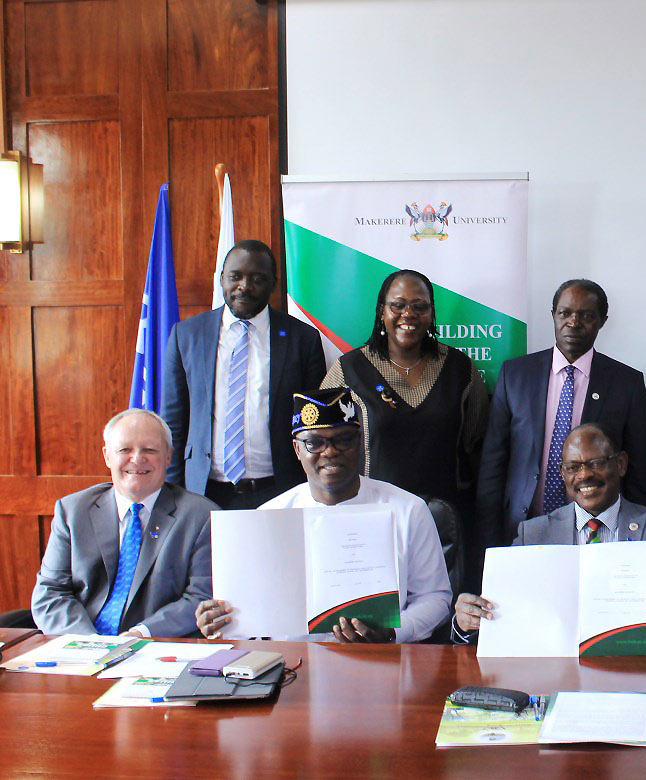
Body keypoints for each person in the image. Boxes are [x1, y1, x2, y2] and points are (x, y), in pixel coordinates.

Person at [194, 389, 452, 643]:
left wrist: (393, 632)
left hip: (384, 662)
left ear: (360, 443)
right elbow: (250, 618)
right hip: (290, 667)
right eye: (314, 443)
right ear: (297, 450)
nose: (329, 452)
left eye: (343, 440)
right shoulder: (269, 517)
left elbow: (435, 598)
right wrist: (221, 621)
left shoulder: (408, 510)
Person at [454, 423, 646, 645]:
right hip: (554, 677)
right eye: (574, 467)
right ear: (562, 474)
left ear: (621, 464)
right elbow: (500, 617)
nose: (585, 475)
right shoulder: (532, 534)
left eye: (596, 463)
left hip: (637, 671)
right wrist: (466, 622)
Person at [478, 279, 646, 550]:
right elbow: (494, 461)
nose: (574, 322)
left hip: (596, 530)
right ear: (553, 315)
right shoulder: (516, 375)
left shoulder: (626, 383)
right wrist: (488, 541)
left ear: (602, 321)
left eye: (586, 315)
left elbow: (640, 470)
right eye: (565, 313)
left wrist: (639, 541)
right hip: (523, 526)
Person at [163, 239, 326, 509]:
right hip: (202, 491)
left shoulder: (302, 339)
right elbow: (173, 422)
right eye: (235, 276)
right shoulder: (187, 336)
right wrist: (173, 492)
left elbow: (313, 424)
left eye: (257, 278)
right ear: (221, 279)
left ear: (273, 283)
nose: (244, 286)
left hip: (280, 489)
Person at [32, 409, 215, 638]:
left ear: (168, 456)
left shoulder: (200, 516)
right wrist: (90, 643)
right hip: (81, 646)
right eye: (124, 449)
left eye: (149, 449)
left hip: (158, 648)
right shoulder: (73, 511)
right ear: (107, 455)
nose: (137, 459)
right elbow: (51, 591)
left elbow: (201, 597)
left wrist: (142, 633)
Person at [321, 269, 487, 511]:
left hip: (446, 518)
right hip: (371, 512)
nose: (408, 314)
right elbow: (320, 442)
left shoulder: (460, 369)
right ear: (381, 312)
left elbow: (480, 446)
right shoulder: (349, 370)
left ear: (431, 313)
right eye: (398, 305)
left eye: (419, 306)